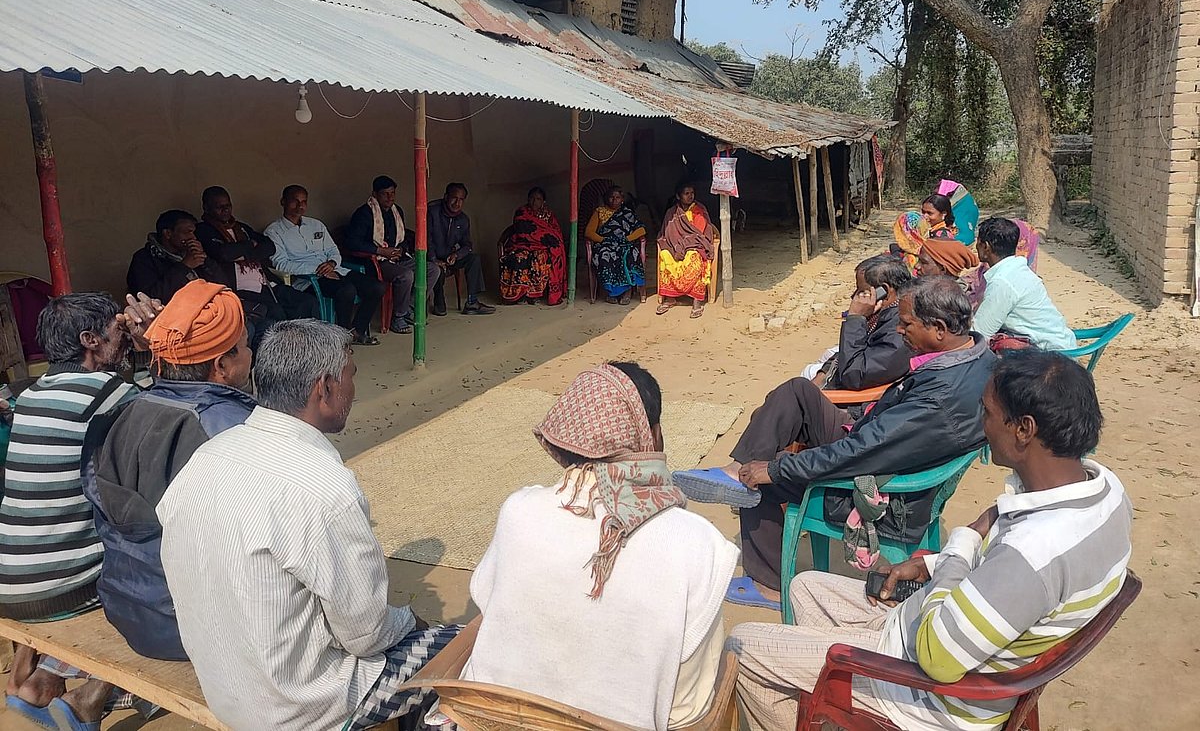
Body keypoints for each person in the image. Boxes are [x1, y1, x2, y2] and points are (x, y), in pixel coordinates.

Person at [725, 350, 1132, 731]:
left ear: (1024, 430)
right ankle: (834, 709)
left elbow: (938, 659)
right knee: (804, 587)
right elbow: (1006, 583)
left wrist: (962, 543)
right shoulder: (1105, 490)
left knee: (743, 647)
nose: (981, 424)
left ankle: (841, 697)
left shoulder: (1033, 553)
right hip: (937, 636)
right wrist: (931, 565)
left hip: (932, 692)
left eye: (987, 413)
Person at [157, 320, 460, 731]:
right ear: (325, 388)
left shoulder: (208, 456)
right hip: (300, 707)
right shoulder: (325, 487)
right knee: (463, 645)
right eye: (351, 376)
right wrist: (411, 622)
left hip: (227, 689)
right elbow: (366, 635)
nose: (354, 390)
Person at [673, 278, 995, 606]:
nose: (899, 331)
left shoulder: (938, 400)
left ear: (939, 328)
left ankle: (769, 584)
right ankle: (737, 470)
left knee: (764, 482)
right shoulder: (976, 355)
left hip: (889, 494)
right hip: (882, 438)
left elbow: (860, 453)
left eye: (906, 323)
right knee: (799, 392)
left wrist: (775, 468)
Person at [462, 363, 737, 730]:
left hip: (494, 719)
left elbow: (485, 596)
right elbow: (687, 709)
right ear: (652, 437)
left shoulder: (518, 509)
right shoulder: (699, 543)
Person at [2, 291, 162, 729]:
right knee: (152, 571)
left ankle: (35, 681)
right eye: (118, 329)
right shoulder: (109, 393)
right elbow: (170, 411)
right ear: (90, 339)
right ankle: (88, 699)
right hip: (65, 589)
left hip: (12, 580)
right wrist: (153, 347)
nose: (126, 336)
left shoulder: (32, 394)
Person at [81, 280, 255, 661]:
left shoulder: (120, 414)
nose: (250, 354)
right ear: (222, 365)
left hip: (128, 611)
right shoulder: (236, 430)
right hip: (196, 629)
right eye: (243, 348)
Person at [264, 184, 385, 346]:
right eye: (295, 201)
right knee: (346, 290)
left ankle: (357, 331)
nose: (300, 206)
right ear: (283, 202)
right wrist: (319, 270)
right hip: (308, 278)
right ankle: (341, 340)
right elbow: (281, 264)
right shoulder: (273, 232)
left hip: (335, 270)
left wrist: (332, 263)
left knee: (377, 287)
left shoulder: (316, 225)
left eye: (304, 202)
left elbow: (333, 250)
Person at [196, 186, 318, 341]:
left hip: (265, 283)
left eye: (228, 205)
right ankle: (287, 354)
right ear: (206, 208)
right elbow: (223, 253)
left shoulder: (241, 228)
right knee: (276, 311)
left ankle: (311, 346)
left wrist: (242, 253)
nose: (225, 210)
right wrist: (249, 246)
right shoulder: (203, 230)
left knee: (307, 302)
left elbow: (269, 246)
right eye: (219, 207)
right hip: (238, 289)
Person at [800, 255, 914, 391]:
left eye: (861, 290)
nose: (853, 296)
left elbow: (853, 375)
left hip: (853, 400)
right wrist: (823, 374)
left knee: (799, 383)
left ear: (883, 291)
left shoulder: (898, 328)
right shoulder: (886, 313)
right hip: (847, 373)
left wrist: (855, 318)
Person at [345, 175, 442, 333]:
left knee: (432, 270)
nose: (390, 197)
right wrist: (381, 251)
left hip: (397, 258)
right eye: (385, 194)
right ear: (375, 194)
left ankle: (410, 307)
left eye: (392, 193)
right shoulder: (364, 213)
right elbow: (353, 242)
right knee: (406, 275)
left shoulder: (397, 211)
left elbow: (402, 238)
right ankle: (398, 317)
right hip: (375, 261)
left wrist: (400, 250)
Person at [974, 217, 1076, 351]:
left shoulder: (1003, 282)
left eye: (978, 242)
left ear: (986, 247)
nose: (976, 246)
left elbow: (980, 332)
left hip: (1050, 356)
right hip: (1061, 342)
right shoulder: (1018, 269)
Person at [127, 209, 225, 303]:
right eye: (187, 232)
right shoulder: (144, 259)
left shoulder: (191, 253)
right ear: (168, 233)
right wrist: (184, 266)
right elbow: (152, 297)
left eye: (194, 233)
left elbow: (223, 284)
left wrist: (205, 259)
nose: (193, 237)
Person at [428, 182, 496, 316]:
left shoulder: (463, 219)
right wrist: (434, 259)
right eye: (454, 198)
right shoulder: (432, 212)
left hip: (449, 257)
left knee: (474, 259)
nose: (457, 203)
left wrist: (456, 255)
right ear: (446, 197)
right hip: (432, 257)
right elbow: (426, 239)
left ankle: (472, 302)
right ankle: (439, 300)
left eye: (461, 200)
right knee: (436, 269)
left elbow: (467, 245)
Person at [656, 182, 716, 319]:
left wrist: (685, 245)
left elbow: (699, 233)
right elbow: (666, 233)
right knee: (665, 255)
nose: (690, 196)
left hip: (695, 245)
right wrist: (677, 246)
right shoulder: (671, 212)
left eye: (692, 193)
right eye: (686, 193)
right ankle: (670, 298)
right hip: (676, 246)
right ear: (678, 196)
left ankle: (697, 301)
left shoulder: (699, 210)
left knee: (693, 257)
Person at [499, 186, 568, 306]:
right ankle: (519, 295)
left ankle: (534, 295)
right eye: (532, 198)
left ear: (543, 202)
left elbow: (555, 233)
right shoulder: (521, 212)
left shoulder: (548, 215)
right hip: (521, 244)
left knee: (540, 257)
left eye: (538, 199)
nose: (534, 202)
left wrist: (546, 240)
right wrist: (543, 238)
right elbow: (522, 230)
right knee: (520, 257)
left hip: (543, 247)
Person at [586, 185, 647, 305]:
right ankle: (612, 293)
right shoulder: (600, 212)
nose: (614, 200)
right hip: (606, 244)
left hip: (625, 243)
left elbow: (641, 230)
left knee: (628, 255)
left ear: (622, 199)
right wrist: (603, 240)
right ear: (606, 199)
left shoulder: (627, 213)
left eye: (617, 197)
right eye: (611, 197)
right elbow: (589, 232)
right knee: (605, 255)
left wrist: (627, 239)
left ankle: (627, 292)